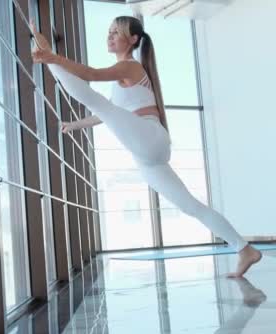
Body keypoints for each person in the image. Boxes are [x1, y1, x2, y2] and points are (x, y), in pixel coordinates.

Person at [30, 16, 261, 278]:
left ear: (133, 40)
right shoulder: (124, 81)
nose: (110, 36)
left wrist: (53, 58)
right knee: (190, 206)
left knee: (97, 102)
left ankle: (48, 59)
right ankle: (244, 249)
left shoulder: (130, 67)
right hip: (149, 151)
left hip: (149, 138)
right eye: (109, 31)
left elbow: (92, 76)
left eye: (116, 32)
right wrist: (74, 125)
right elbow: (107, 113)